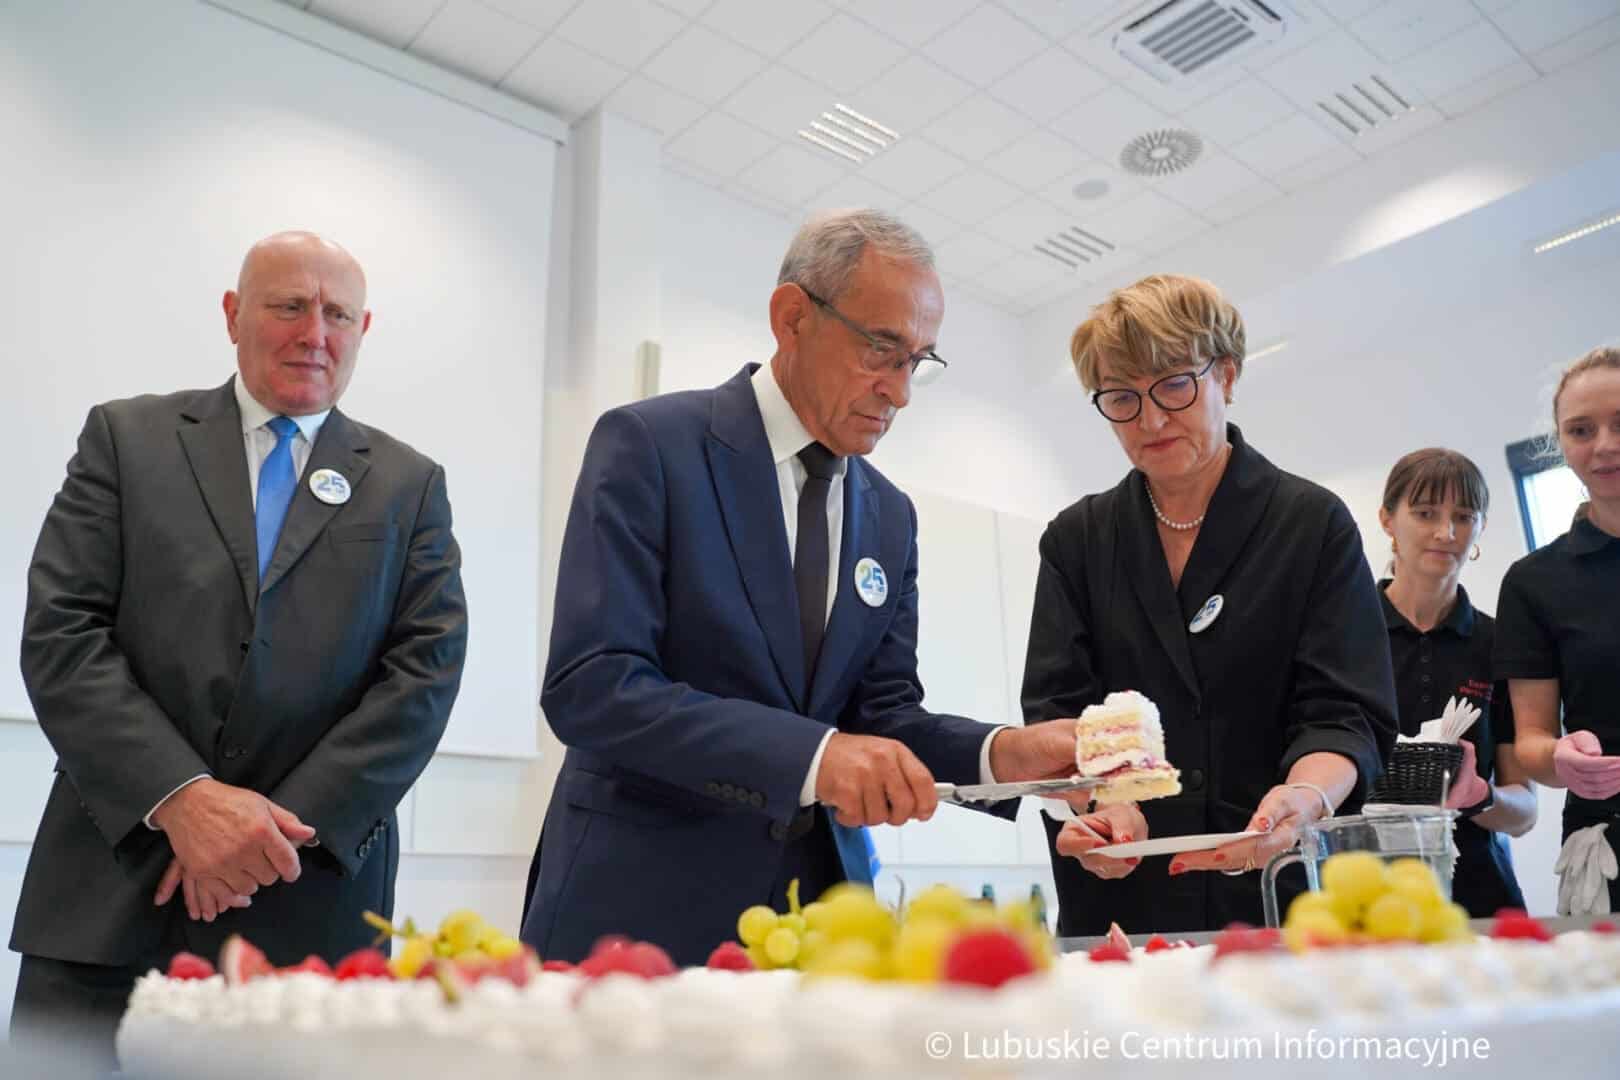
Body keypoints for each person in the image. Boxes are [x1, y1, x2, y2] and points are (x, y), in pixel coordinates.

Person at [522, 210, 1084, 965]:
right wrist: (817, 757)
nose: (901, 392)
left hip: (820, 917)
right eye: (882, 351)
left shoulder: (890, 514)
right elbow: (592, 685)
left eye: (918, 361)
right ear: (793, 316)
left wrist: (1003, 755)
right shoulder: (651, 446)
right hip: (639, 906)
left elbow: (879, 716)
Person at [10, 231, 469, 1065]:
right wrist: (184, 799)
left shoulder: (410, 485)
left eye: (338, 314)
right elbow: (61, 632)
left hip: (309, 905)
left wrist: (264, 845)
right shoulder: (127, 439)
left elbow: (425, 673)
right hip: (113, 889)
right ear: (233, 314)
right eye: (289, 305)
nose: (314, 333)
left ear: (364, 329)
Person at [1022, 273, 1398, 934]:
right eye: (1121, 397)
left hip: (1276, 892)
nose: (1150, 418)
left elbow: (1344, 715)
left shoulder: (1311, 525)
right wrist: (1098, 801)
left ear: (1225, 374)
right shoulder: (1075, 541)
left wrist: (1304, 797)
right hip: (1121, 896)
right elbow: (1057, 717)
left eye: (1173, 384)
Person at [1375, 448, 1535, 917]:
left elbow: (1524, 810)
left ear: (1479, 528)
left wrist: (1478, 796)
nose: (1446, 533)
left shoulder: (1498, 642)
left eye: (1463, 517)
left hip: (1477, 899)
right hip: (1361, 898)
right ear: (1387, 520)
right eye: (1425, 514)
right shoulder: (1340, 632)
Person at [1498, 346, 1620, 913]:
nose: (1604, 446)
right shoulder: (1534, 582)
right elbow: (1532, 742)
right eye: (1581, 429)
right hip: (1608, 852)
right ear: (1562, 443)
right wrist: (1561, 756)